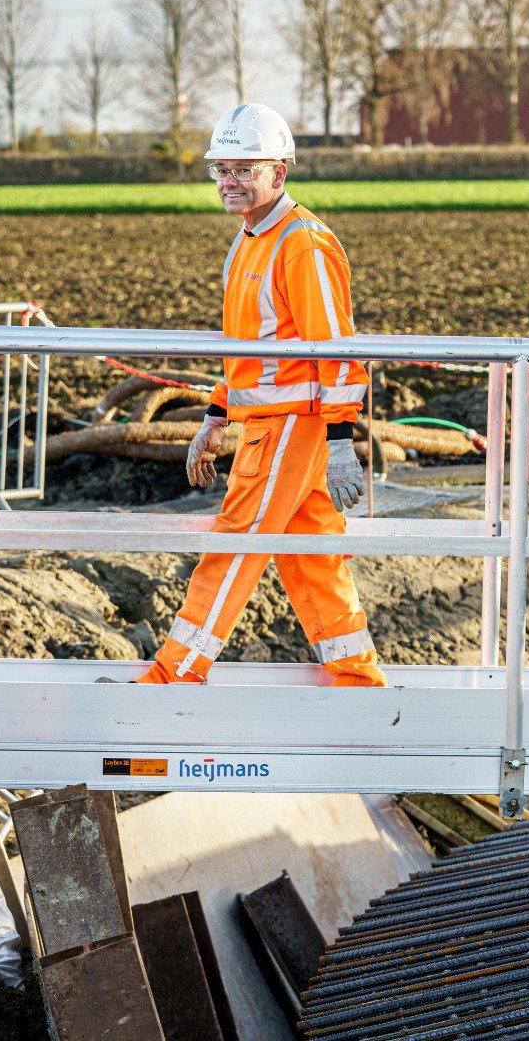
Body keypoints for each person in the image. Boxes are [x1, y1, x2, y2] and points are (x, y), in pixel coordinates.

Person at [127, 103, 386, 687]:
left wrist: (342, 439)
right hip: (272, 422)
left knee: (234, 545)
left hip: (294, 425)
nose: (229, 182)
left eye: (245, 170)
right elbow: (250, 348)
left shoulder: (303, 244)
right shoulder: (248, 242)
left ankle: (174, 677)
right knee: (311, 555)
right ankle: (357, 680)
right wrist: (216, 416)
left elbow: (335, 349)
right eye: (222, 169)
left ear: (280, 173)